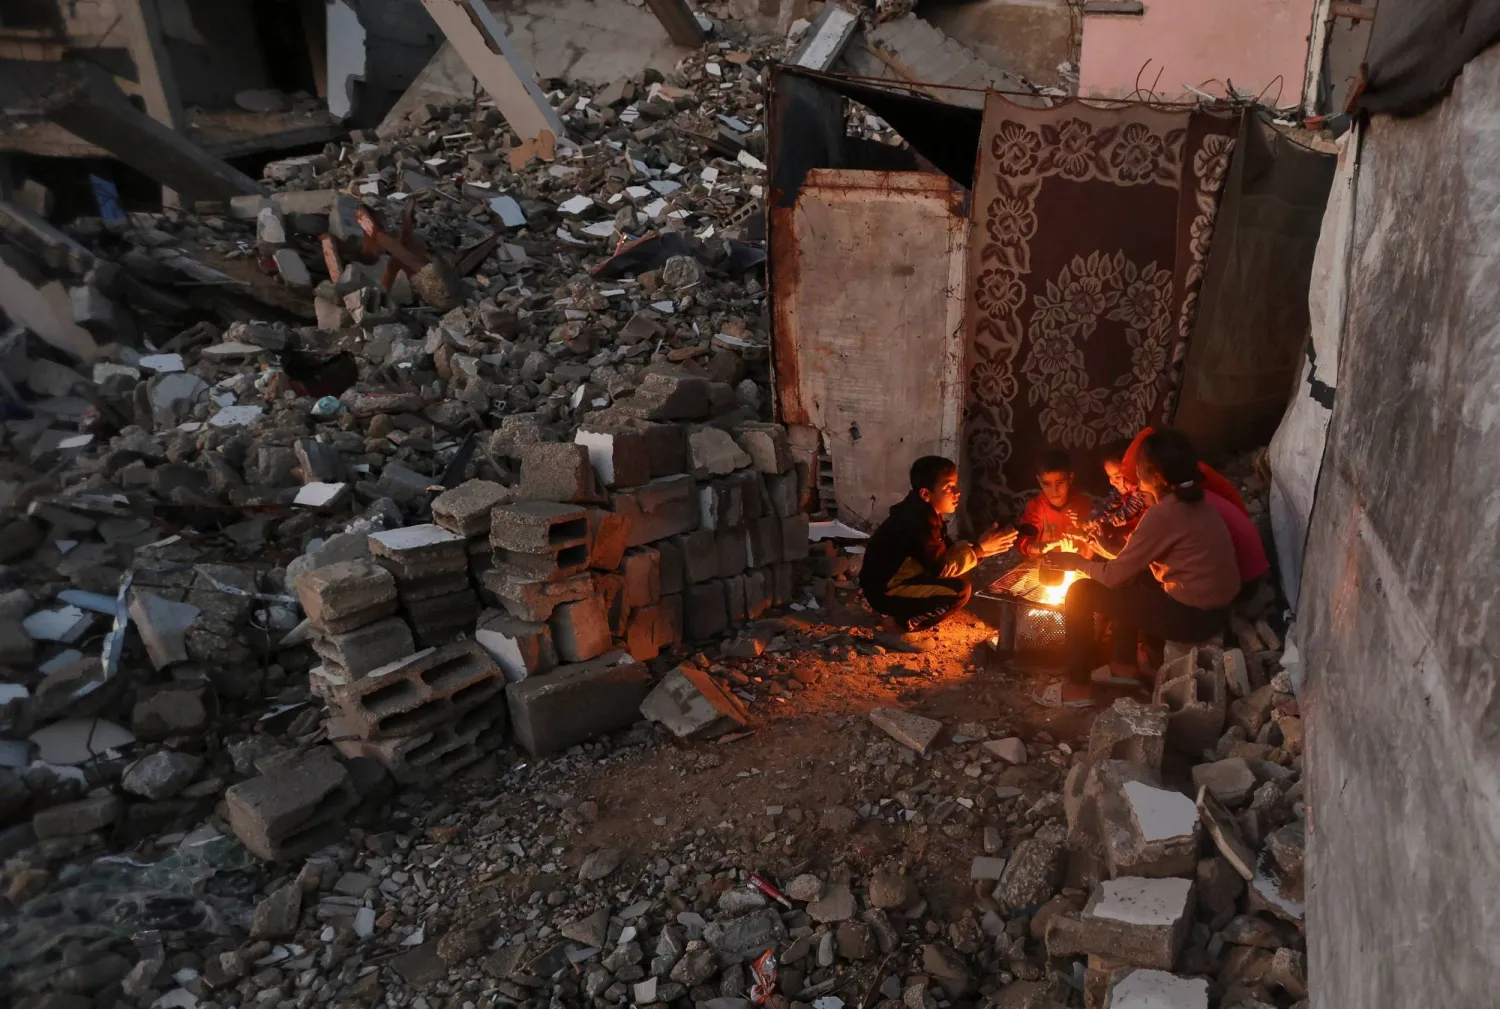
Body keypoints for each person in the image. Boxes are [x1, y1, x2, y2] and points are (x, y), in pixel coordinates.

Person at [1039, 430, 1240, 707]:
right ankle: (1123, 667)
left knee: (1080, 593)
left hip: (1192, 620)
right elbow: (1130, 561)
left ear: (1156, 475)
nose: (1133, 474)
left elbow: (1113, 576)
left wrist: (1074, 562)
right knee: (1135, 578)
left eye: (1139, 467)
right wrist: (1102, 546)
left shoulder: (1163, 514)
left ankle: (1076, 687)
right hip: (1216, 613)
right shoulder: (1195, 503)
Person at [860, 456, 1017, 649]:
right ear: (926, 493)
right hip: (885, 592)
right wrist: (980, 549)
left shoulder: (927, 513)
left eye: (955, 486)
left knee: (962, 563)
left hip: (898, 581)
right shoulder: (917, 523)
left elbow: (949, 551)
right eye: (948, 488)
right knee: (960, 591)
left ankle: (900, 615)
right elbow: (942, 568)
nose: (957, 493)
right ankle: (898, 627)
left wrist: (981, 548)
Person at [1120, 427, 1248, 515]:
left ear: (1156, 476)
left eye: (1139, 479)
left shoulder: (1182, 504)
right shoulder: (1186, 479)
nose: (1139, 487)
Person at [1015, 449, 1093, 558]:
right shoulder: (1035, 508)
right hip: (1045, 564)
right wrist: (1033, 548)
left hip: (1078, 565)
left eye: (1060, 483)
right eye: (1047, 484)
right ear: (1039, 481)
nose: (1054, 490)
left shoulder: (1082, 505)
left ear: (1070, 478)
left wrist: (1083, 529)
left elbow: (1095, 541)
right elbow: (1024, 539)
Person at [1080, 439, 1151, 556]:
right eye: (1110, 476)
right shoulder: (1121, 491)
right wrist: (1092, 518)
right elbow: (1106, 505)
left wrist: (1102, 521)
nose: (1112, 482)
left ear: (1134, 471)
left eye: (1117, 477)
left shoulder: (1142, 494)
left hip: (1143, 542)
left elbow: (1124, 514)